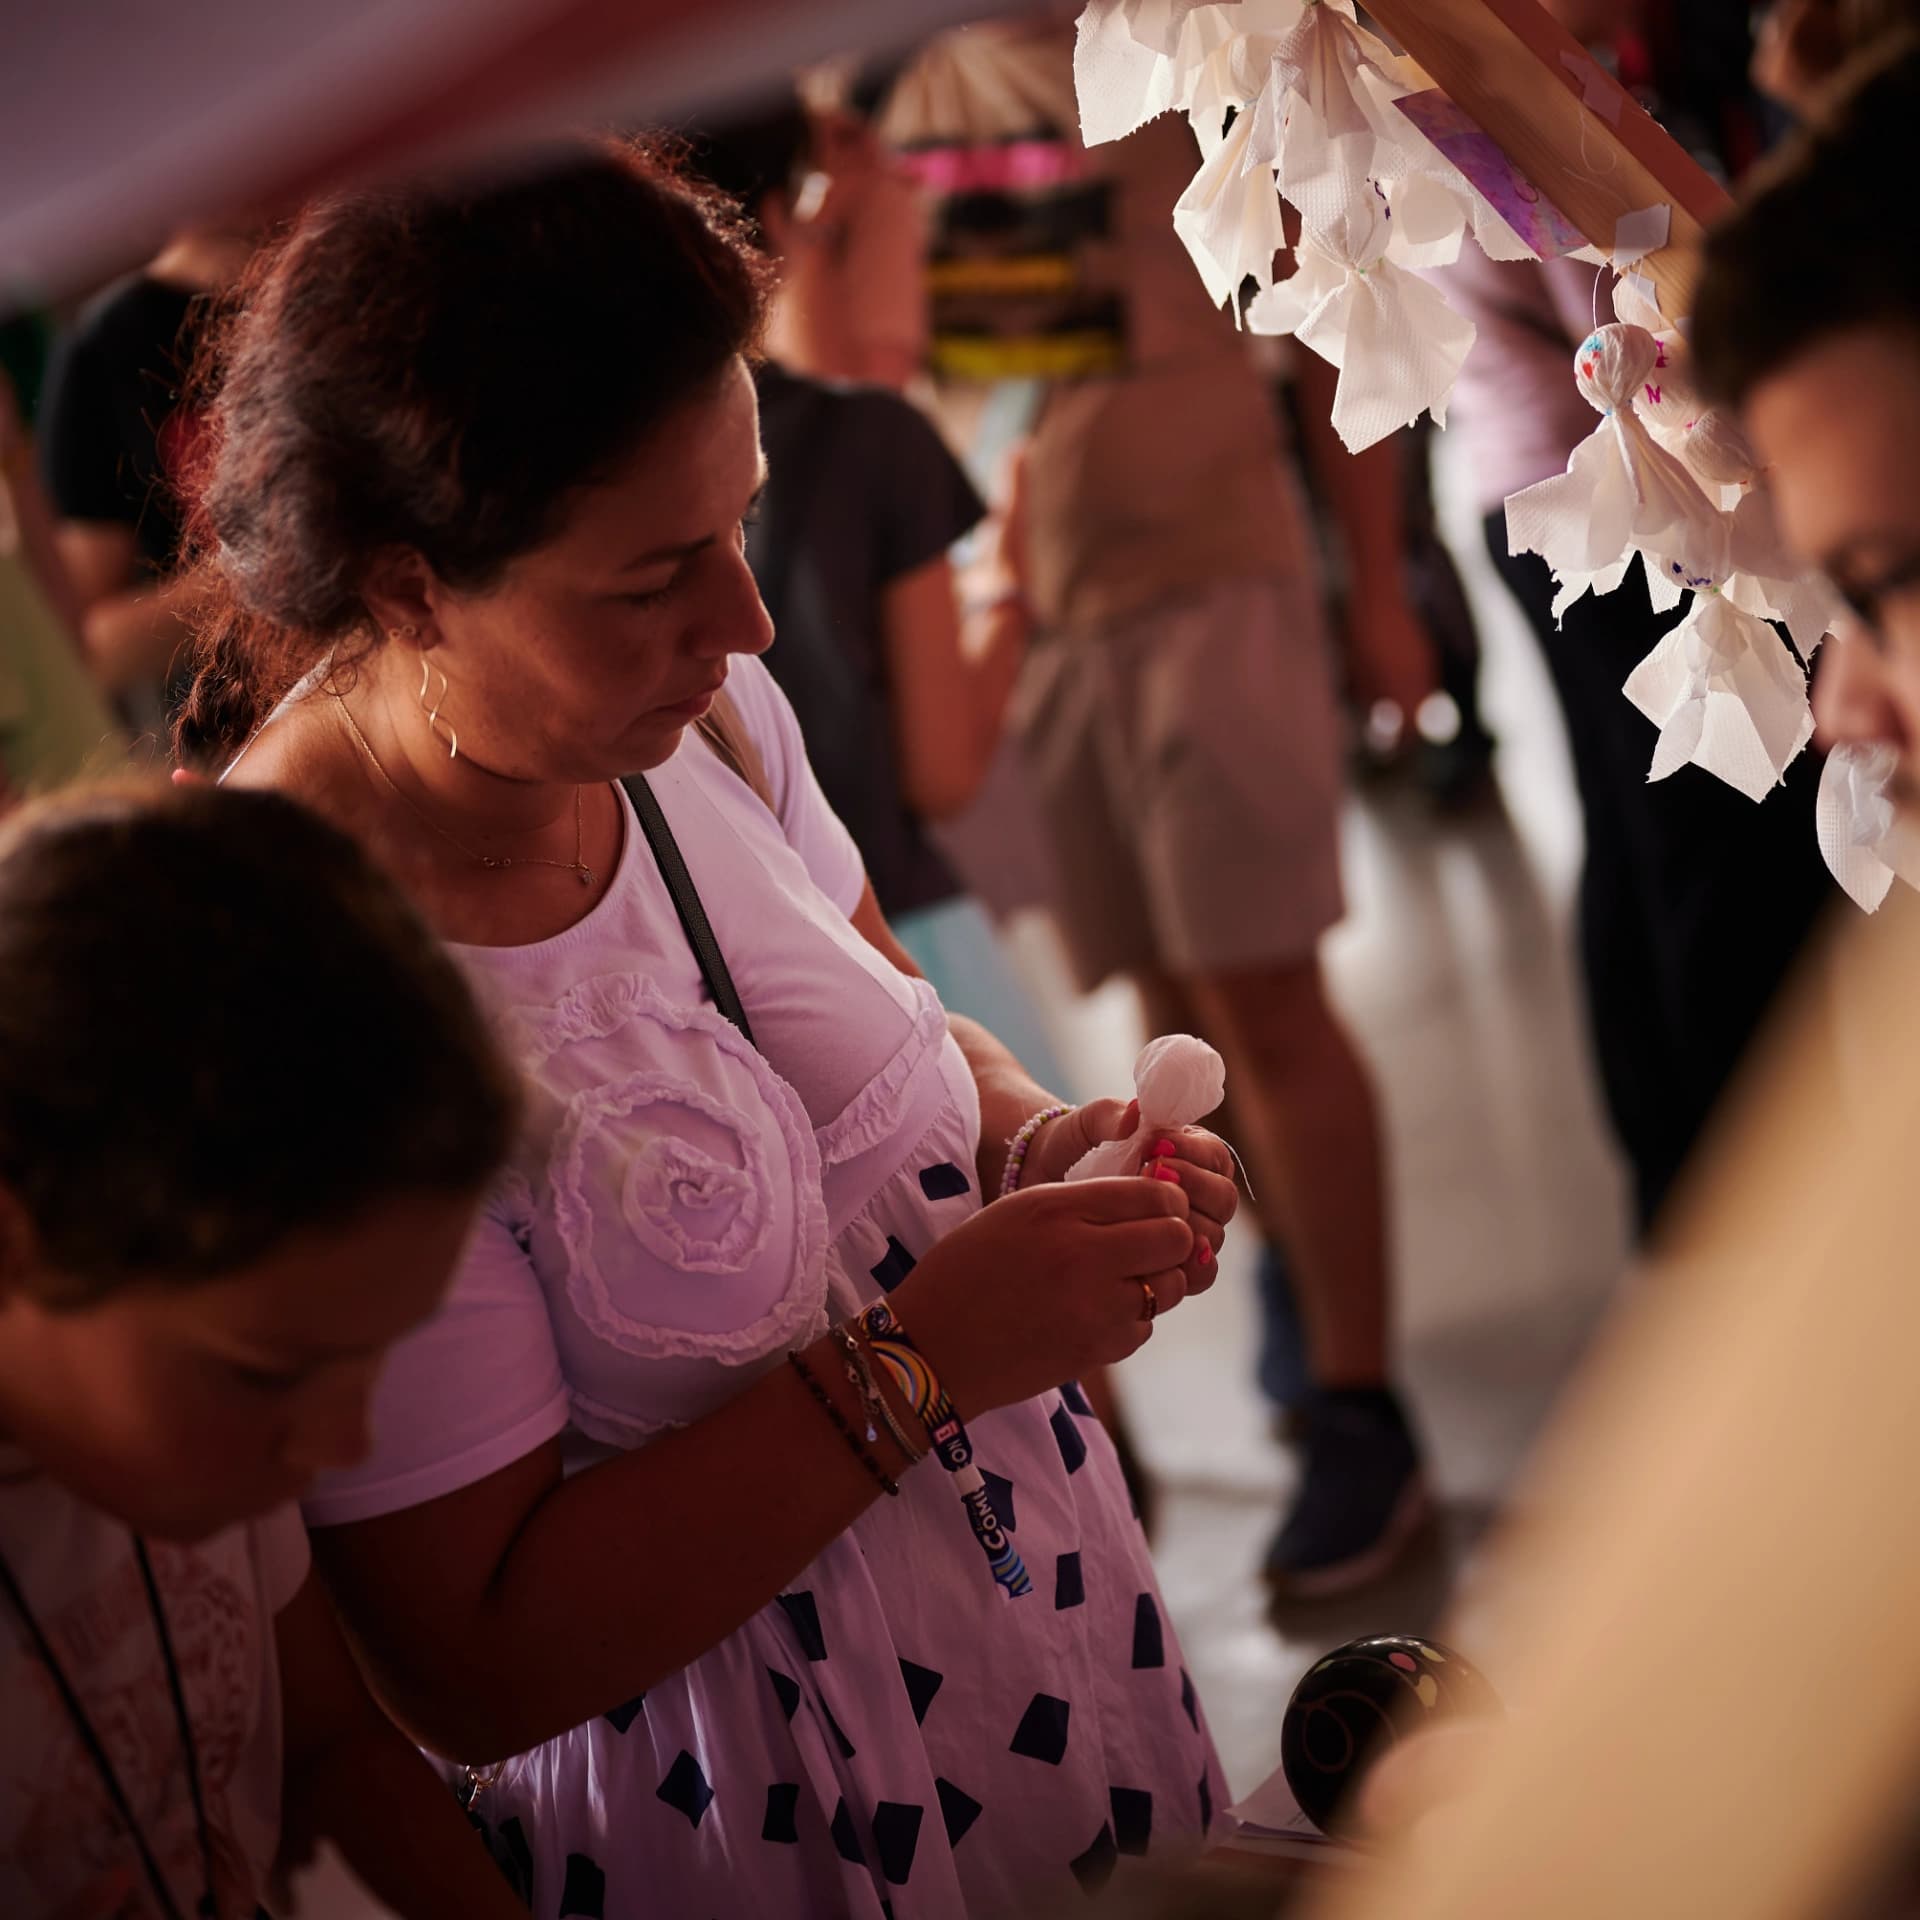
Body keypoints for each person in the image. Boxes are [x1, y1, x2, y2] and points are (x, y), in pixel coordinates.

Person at [184, 139, 1239, 1919]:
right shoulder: (293, 982)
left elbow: (890, 1022)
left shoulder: (700, 717)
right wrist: (923, 1362)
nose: (746, 620)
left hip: (1044, 1658)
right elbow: (475, 1661)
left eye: (741, 521)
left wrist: (1029, 1143)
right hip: (767, 1819)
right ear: (410, 584)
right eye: (652, 575)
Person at [882, 19, 1429, 1598]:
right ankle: (1301, 1298)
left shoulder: (1185, 44)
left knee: (1268, 1003)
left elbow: (1339, 316)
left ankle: (1364, 1408)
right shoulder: (934, 87)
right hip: (1055, 622)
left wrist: (1379, 583)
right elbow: (986, 379)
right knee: (1172, 1008)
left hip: (1217, 588)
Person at [0, 779, 527, 1918]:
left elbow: (333, 1749)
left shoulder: (210, 1392)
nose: (344, 1442)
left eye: (375, 1355)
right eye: (270, 1374)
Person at [1439, 0, 1835, 1234]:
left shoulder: (1542, 63)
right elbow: (1629, 330)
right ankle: (1746, 1195)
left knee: (1644, 839)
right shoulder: (1511, 82)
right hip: (1611, 505)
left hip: (1565, 489)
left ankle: (1677, 1177)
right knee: (1723, 849)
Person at [687, 106, 1071, 1112]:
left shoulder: (607, 471)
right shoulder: (875, 445)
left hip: (725, 989)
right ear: (782, 217)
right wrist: (1015, 584)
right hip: (896, 946)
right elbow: (942, 773)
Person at [36, 223, 253, 715]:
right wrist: (247, 575)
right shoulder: (103, 351)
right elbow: (89, 645)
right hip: (240, 722)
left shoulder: (359, 272)